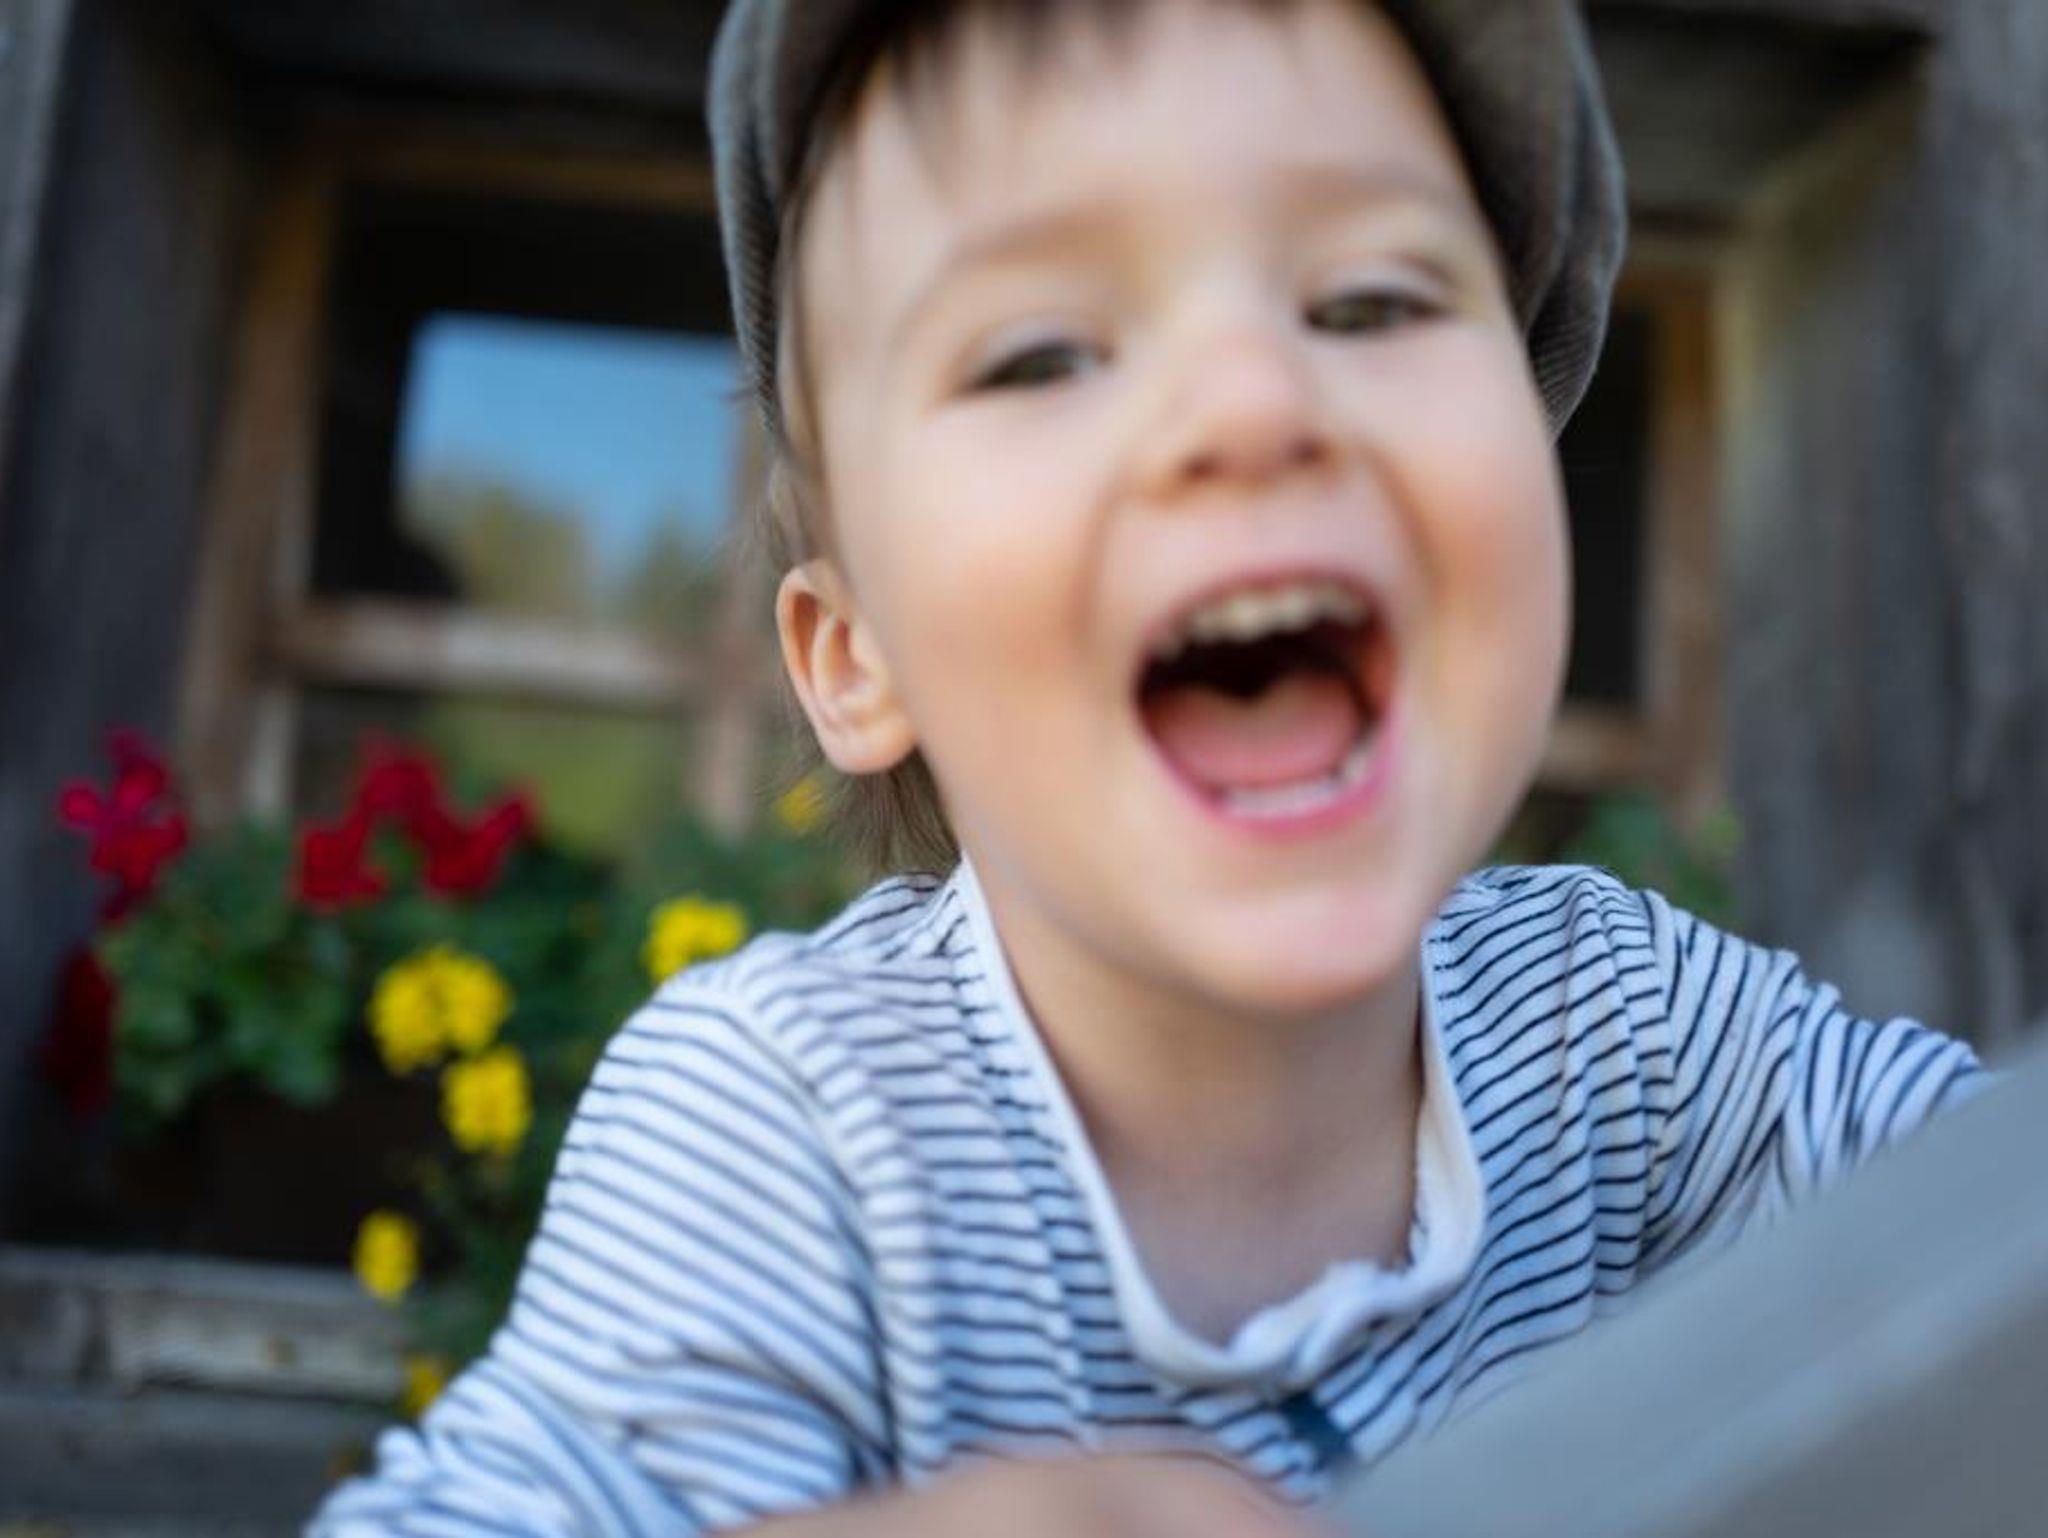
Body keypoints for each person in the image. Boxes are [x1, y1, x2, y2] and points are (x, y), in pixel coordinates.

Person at [309, 1, 1988, 1533]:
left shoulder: (1619, 1030)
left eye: (1372, 301)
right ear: (856, 657)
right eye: (1040, 353)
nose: (1252, 401)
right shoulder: (796, 1128)